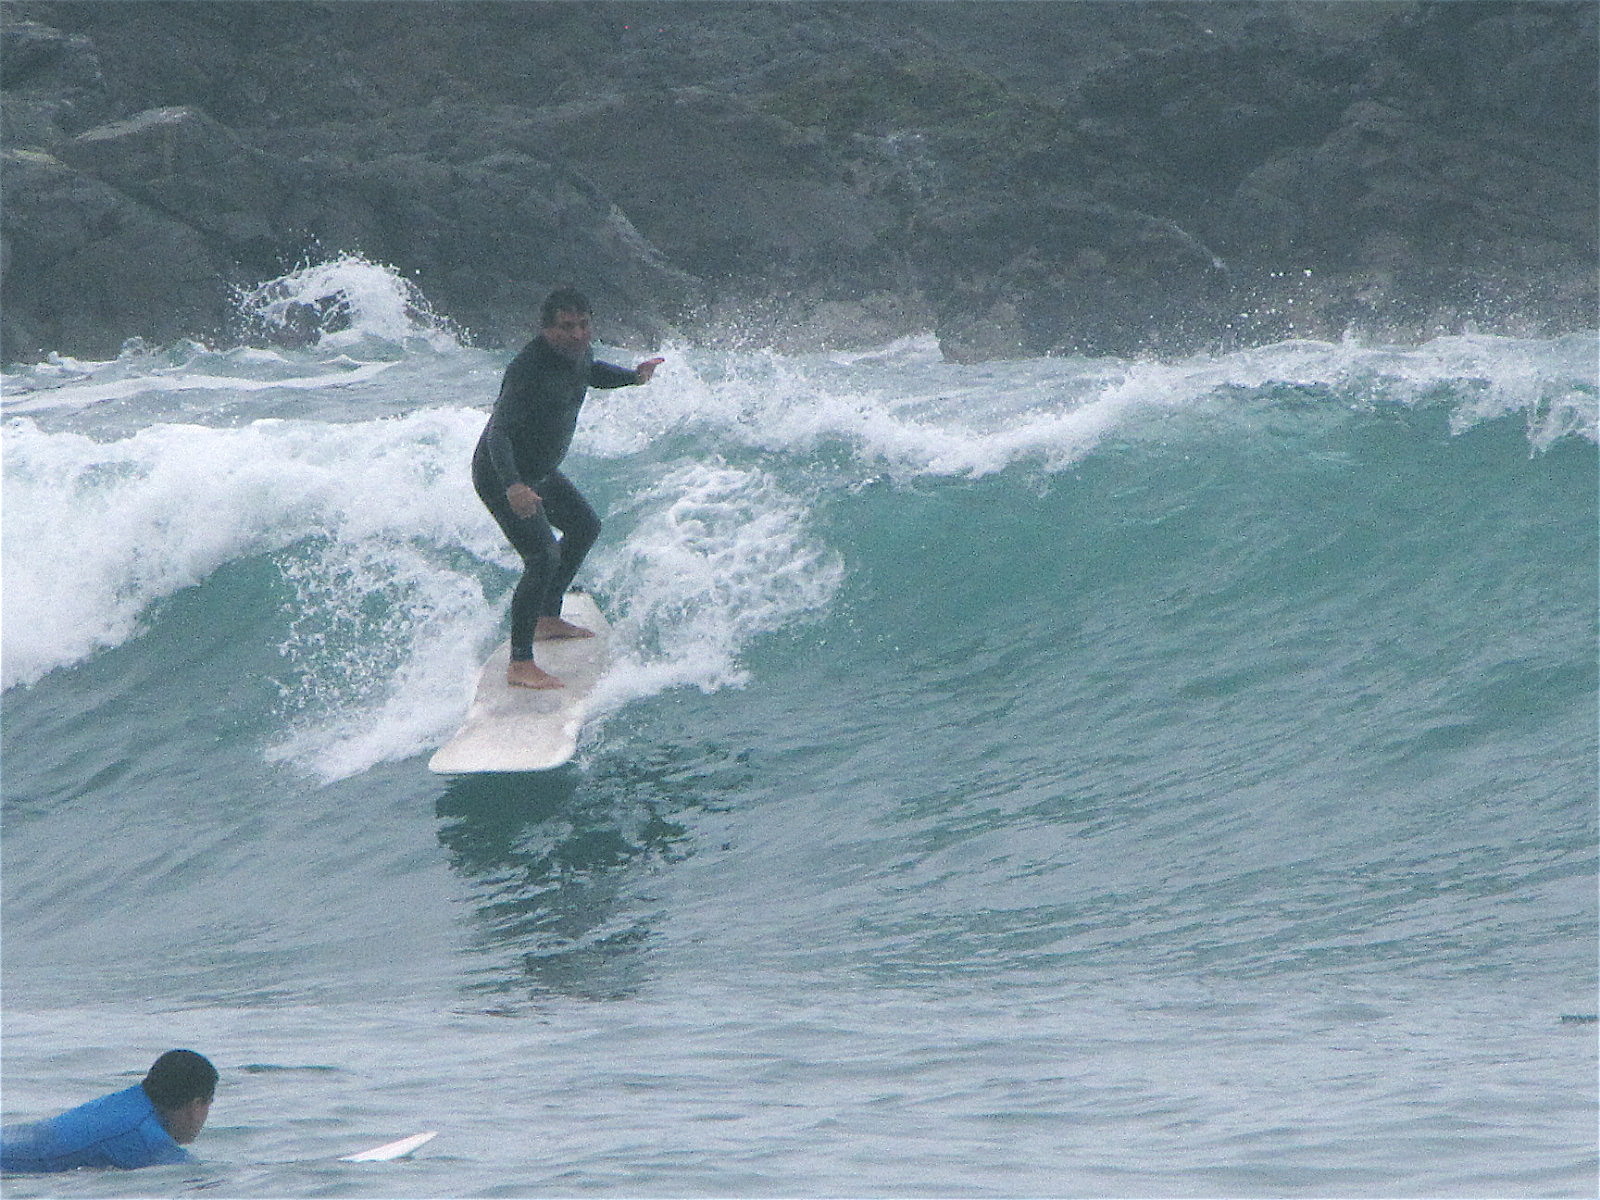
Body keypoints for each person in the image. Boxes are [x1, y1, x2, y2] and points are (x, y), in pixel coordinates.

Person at [473, 287, 664, 689]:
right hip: (502, 475)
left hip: (540, 471)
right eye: (565, 327)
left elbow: (594, 373)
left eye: (582, 325)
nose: (577, 334)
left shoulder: (579, 354)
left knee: (584, 528)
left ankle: (546, 617)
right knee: (542, 555)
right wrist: (513, 486)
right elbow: (499, 432)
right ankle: (520, 664)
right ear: (545, 329)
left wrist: (634, 377)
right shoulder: (529, 368)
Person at [0, 1049, 216, 1173]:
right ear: (196, 1105)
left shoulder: (132, 1101)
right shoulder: (146, 1140)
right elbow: (193, 1175)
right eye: (209, 1103)